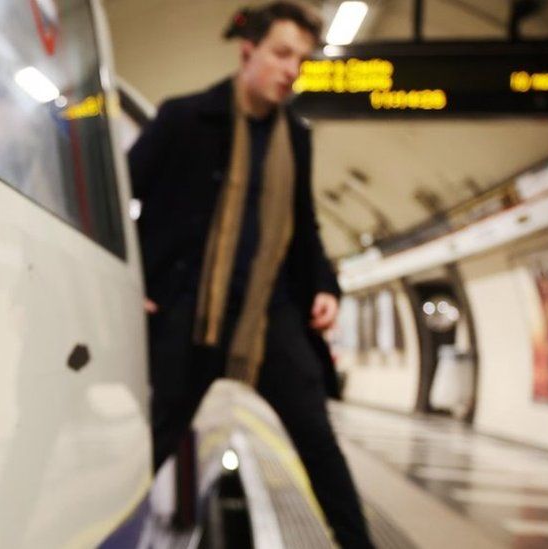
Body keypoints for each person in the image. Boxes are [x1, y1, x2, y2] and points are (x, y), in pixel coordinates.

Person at [128, 3, 375, 547]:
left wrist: (324, 287)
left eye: (301, 60)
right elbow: (123, 193)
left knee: (317, 438)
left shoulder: (296, 138)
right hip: (191, 310)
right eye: (282, 54)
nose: (292, 69)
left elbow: (302, 225)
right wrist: (136, 281)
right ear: (248, 53)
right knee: (155, 439)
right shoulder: (183, 118)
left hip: (270, 315)